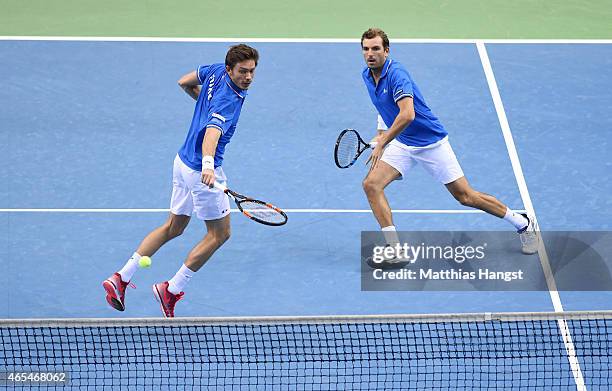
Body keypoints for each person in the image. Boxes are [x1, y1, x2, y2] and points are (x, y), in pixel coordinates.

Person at [359, 28, 538, 268]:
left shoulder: (397, 74)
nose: (370, 54)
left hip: (430, 143)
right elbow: (384, 107)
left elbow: (408, 114)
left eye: (376, 49)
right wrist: (382, 134)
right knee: (371, 185)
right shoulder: (367, 75)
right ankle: (396, 249)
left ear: (386, 50)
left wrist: (384, 141)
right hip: (403, 143)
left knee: (466, 196)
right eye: (366, 49)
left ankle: (522, 222)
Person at [103, 44, 259, 317]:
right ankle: (171, 290)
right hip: (201, 170)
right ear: (230, 70)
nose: (248, 77)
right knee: (220, 234)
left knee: (174, 227)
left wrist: (203, 104)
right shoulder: (230, 98)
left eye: (252, 71)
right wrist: (209, 165)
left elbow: (184, 82)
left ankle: (121, 277)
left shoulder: (214, 71)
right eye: (242, 72)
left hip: (182, 162)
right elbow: (213, 132)